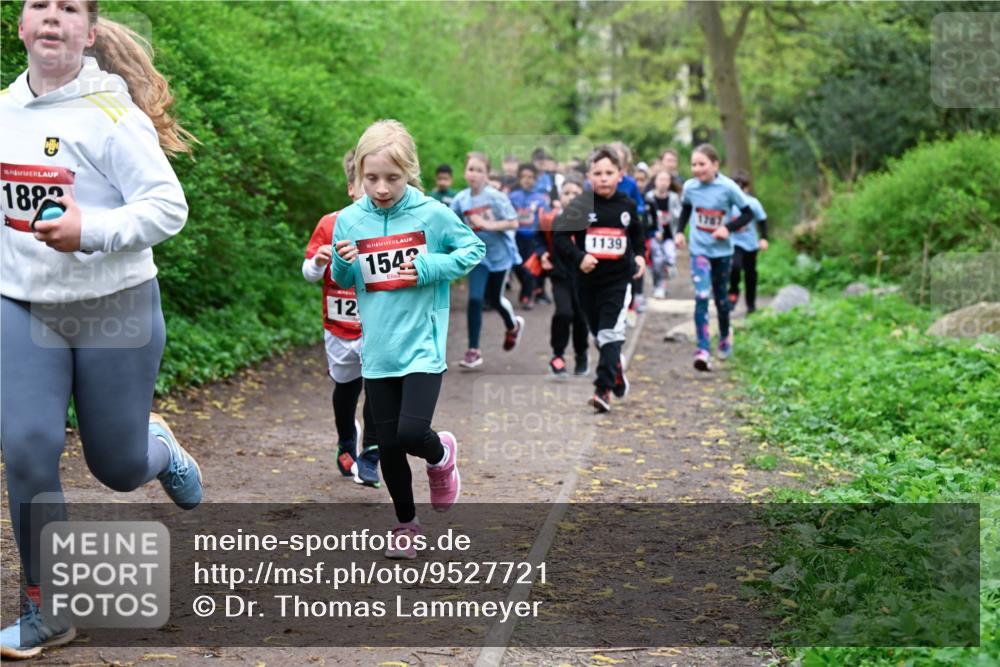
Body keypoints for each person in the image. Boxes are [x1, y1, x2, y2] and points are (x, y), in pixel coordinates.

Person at [1, 1, 200, 658]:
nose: (52, 16)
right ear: (21, 26)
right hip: (24, 303)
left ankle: (159, 448)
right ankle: (47, 609)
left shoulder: (112, 112)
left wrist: (91, 231)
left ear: (88, 32)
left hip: (114, 302)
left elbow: (169, 207)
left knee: (115, 467)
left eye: (70, 8)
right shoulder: (3, 113)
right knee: (28, 446)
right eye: (40, 6)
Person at [332, 120, 485, 559]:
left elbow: (473, 250)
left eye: (392, 179)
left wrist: (427, 268)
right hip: (378, 349)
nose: (381, 188)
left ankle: (441, 455)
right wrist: (343, 263)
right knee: (389, 444)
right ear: (359, 173)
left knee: (412, 431)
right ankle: (405, 525)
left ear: (410, 173)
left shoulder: (431, 214)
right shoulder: (349, 220)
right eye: (371, 178)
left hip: (422, 343)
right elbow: (345, 278)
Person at [302, 149, 380, 486]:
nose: (373, 190)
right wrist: (318, 263)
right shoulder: (329, 223)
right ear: (352, 188)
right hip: (338, 327)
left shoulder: (389, 228)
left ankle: (371, 456)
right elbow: (308, 273)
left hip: (376, 328)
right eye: (365, 182)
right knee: (346, 391)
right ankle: (347, 439)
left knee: (377, 389)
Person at [555, 146, 645, 412]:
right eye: (598, 173)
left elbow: (638, 235)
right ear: (588, 176)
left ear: (620, 175)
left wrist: (639, 256)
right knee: (601, 336)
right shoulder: (581, 205)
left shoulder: (627, 205)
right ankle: (615, 372)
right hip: (586, 284)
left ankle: (602, 389)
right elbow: (559, 236)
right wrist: (579, 256)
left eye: (609, 172)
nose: (604, 178)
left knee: (609, 332)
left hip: (618, 282)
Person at [673, 144, 754, 371]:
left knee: (720, 298)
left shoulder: (728, 187)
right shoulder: (690, 187)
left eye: (702, 164)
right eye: (694, 164)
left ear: (715, 165)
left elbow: (748, 213)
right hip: (699, 250)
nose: (697, 169)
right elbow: (687, 209)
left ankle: (726, 336)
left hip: (722, 252)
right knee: (701, 295)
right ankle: (703, 349)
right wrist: (680, 232)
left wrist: (727, 228)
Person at [449, 152, 524, 369]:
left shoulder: (496, 198)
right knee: (475, 299)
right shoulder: (461, 199)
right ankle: (473, 350)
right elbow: (450, 223)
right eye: (470, 169)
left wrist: (488, 225)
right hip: (477, 257)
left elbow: (514, 223)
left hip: (499, 256)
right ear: (465, 172)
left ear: (487, 174)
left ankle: (513, 325)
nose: (474, 174)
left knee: (495, 299)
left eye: (479, 170)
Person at [536, 174, 589, 377]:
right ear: (560, 196)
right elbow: (539, 239)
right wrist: (542, 254)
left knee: (580, 317)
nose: (571, 197)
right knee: (563, 313)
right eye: (567, 193)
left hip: (584, 277)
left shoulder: (589, 220)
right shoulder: (553, 219)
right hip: (560, 275)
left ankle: (581, 354)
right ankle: (557, 355)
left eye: (576, 193)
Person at [507, 162, 550, 310]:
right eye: (524, 177)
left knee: (531, 267)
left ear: (536, 179)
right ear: (519, 178)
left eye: (531, 177)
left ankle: (527, 296)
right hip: (517, 237)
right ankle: (528, 289)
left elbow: (545, 217)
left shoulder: (541, 198)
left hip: (534, 238)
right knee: (517, 265)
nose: (527, 180)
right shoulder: (512, 197)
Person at [727, 170, 769, 314]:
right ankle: (732, 294)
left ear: (747, 188)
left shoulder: (753, 203)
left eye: (742, 188)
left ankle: (751, 304)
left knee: (751, 275)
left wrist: (764, 238)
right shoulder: (729, 204)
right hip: (734, 243)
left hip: (750, 244)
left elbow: (762, 220)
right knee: (735, 267)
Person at [644, 170, 682, 299]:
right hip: (654, 235)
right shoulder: (649, 197)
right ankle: (658, 286)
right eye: (661, 179)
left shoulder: (674, 197)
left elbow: (680, 215)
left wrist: (669, 218)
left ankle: (668, 271)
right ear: (655, 181)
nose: (663, 183)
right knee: (657, 260)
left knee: (670, 256)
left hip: (669, 234)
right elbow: (645, 217)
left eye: (666, 180)